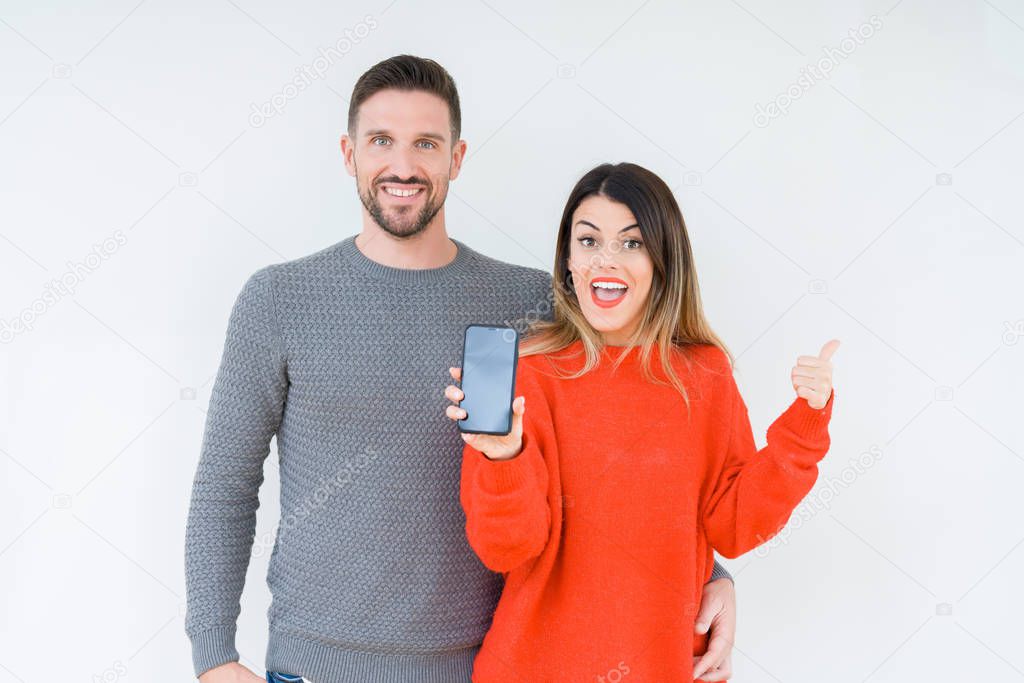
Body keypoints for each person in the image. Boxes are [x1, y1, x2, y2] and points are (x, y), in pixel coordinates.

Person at [184, 55, 738, 683]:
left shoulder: (534, 304)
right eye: (381, 141)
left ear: (457, 157)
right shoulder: (279, 300)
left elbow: (616, 462)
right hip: (314, 666)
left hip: (484, 666)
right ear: (348, 153)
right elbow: (224, 490)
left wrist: (714, 576)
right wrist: (213, 657)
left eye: (426, 143)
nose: (403, 165)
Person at [444, 161, 839, 681]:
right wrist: (503, 458)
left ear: (662, 259)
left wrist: (803, 430)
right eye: (588, 242)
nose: (606, 260)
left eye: (631, 243)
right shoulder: (529, 373)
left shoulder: (702, 373)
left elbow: (735, 526)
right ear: (567, 260)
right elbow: (505, 549)